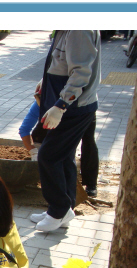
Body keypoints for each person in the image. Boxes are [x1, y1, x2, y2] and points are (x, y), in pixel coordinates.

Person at [30, 30, 101, 232]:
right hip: (68, 105)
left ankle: (59, 210)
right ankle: (62, 209)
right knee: (63, 157)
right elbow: (64, 62)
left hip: (74, 108)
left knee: (48, 156)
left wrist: (61, 105)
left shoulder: (79, 27)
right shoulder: (66, 26)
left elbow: (81, 72)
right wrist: (46, 81)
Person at [21, 97, 99, 197]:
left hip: (83, 108)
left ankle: (90, 184)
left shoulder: (65, 99)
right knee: (38, 134)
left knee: (87, 142)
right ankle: (44, 172)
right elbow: (24, 129)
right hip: (57, 110)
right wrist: (33, 151)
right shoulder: (39, 104)